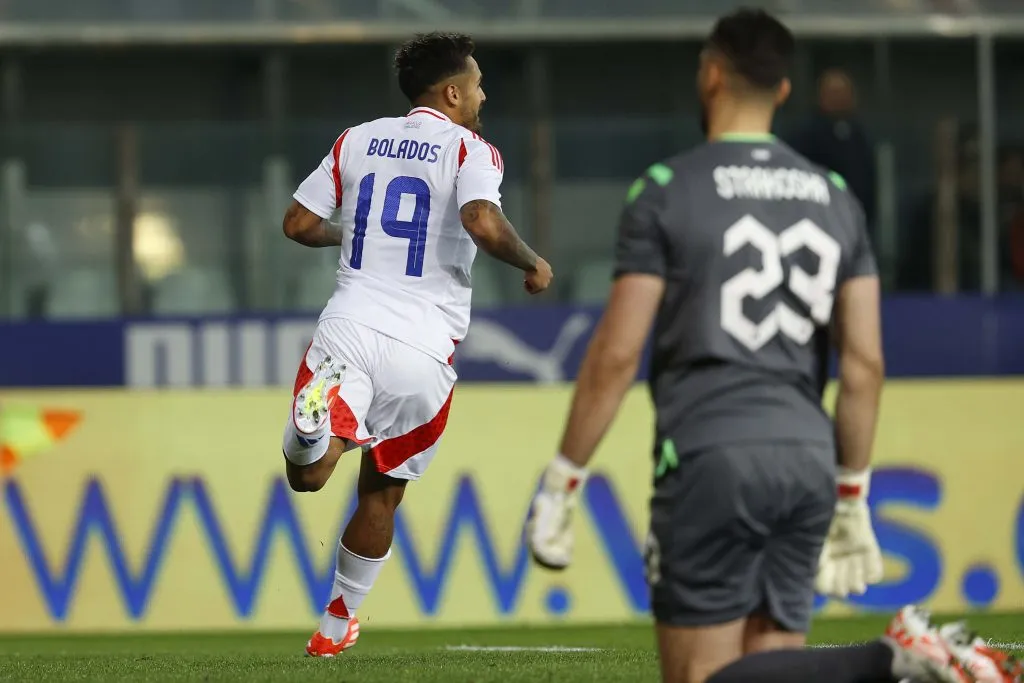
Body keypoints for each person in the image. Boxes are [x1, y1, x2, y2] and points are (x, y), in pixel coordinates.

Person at [525, 9, 1019, 683]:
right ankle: (899, 662)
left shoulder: (668, 191)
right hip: (808, 460)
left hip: (710, 456)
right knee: (772, 671)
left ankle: (892, 661)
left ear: (712, 74)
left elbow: (616, 354)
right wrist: (851, 493)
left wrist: (563, 479)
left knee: (700, 674)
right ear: (785, 92)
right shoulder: (836, 197)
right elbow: (866, 364)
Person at [280, 31, 552, 657]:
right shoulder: (471, 150)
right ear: (453, 92)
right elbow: (482, 221)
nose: (483, 94)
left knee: (309, 475)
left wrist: (352, 235)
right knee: (383, 491)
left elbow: (297, 223)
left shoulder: (358, 138)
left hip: (349, 324)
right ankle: (334, 627)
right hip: (424, 348)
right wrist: (532, 262)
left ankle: (309, 427)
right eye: (477, 84)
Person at [787, 68, 877, 241]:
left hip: (855, 223)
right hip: (815, 225)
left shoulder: (859, 137)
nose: (839, 99)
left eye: (843, 93)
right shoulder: (805, 137)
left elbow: (868, 184)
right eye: (833, 93)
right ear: (820, 96)